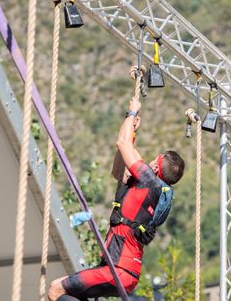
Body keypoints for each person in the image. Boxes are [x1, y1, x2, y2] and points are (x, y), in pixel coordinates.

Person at [48, 96, 185, 301]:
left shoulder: (149, 181)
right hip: (121, 269)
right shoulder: (147, 191)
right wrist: (131, 129)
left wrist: (132, 113)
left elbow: (122, 143)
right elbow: (118, 170)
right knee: (57, 287)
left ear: (156, 166)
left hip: (118, 267)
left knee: (55, 291)